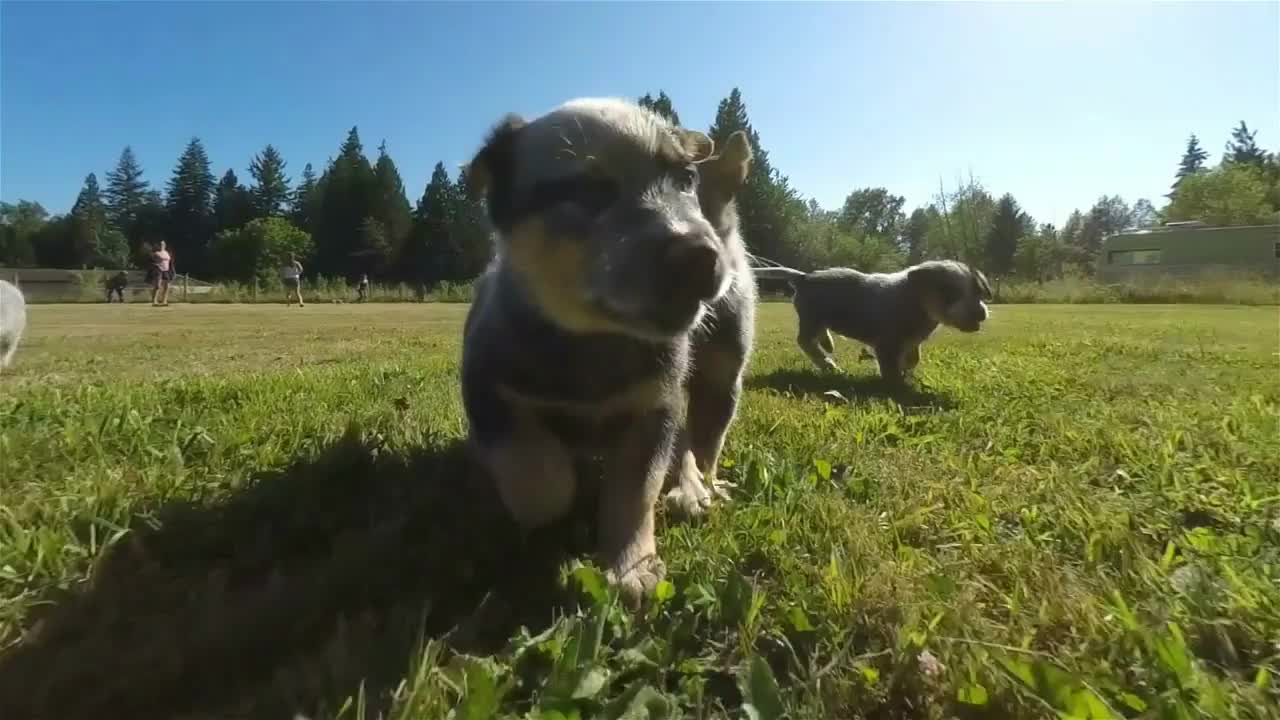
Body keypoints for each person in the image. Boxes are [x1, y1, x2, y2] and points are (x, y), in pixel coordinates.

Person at [150, 241, 173, 306]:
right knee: (157, 286)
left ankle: (164, 301)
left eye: (162, 244)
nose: (161, 245)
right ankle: (154, 301)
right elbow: (152, 261)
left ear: (165, 245)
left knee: (167, 286)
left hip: (166, 270)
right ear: (158, 245)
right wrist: (156, 266)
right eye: (160, 244)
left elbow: (169, 261)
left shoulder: (166, 252)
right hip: (159, 270)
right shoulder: (156, 253)